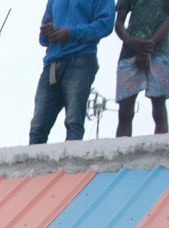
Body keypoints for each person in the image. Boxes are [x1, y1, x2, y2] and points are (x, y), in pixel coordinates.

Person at [31, 0, 114, 144]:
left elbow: (105, 25)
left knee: (74, 122)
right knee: (38, 126)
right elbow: (43, 39)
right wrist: (47, 32)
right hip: (52, 64)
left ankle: (71, 159)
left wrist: (71, 33)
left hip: (81, 58)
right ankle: (34, 159)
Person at [113, 0, 169, 136]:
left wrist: (150, 44)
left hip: (159, 52)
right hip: (130, 53)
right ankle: (121, 147)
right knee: (125, 111)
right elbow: (119, 23)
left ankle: (161, 145)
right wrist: (131, 41)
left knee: (159, 107)